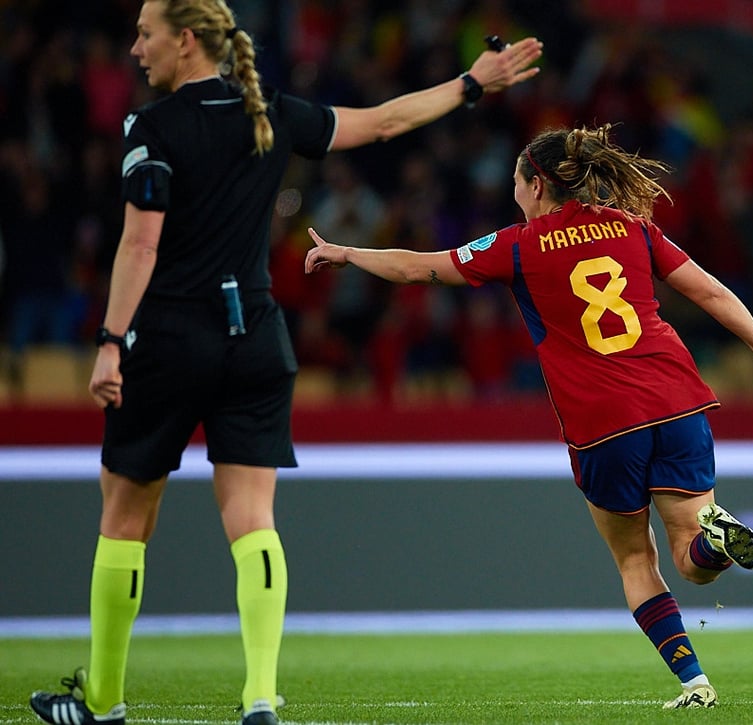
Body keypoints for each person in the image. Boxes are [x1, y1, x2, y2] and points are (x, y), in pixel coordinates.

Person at [28, 2, 542, 724]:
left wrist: (111, 340)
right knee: (252, 516)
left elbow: (140, 245)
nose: (136, 49)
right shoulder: (268, 112)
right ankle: (261, 696)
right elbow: (383, 122)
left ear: (185, 40)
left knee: (124, 514)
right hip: (256, 335)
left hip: (170, 337)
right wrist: (471, 83)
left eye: (146, 34)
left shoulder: (153, 128)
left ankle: (105, 701)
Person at [304, 124, 753, 708]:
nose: (514, 192)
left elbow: (421, 267)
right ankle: (715, 540)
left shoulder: (518, 245)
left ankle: (694, 681)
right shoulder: (633, 227)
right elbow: (711, 292)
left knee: (635, 558)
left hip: (604, 419)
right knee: (692, 560)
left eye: (517, 182)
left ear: (537, 184)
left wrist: (348, 253)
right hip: (676, 399)